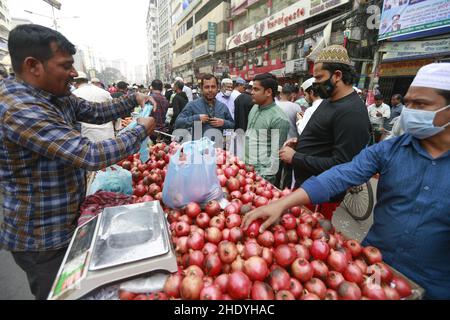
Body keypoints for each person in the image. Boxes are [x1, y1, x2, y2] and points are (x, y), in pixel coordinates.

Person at [243, 62, 450, 300]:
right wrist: (283, 202)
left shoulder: (352, 110)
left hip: (436, 284)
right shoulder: (390, 150)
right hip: (374, 267)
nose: (409, 111)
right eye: (409, 102)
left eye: (421, 104)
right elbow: (341, 174)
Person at [0, 25, 156, 300]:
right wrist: (139, 129)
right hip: (43, 238)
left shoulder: (55, 97)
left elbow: (95, 111)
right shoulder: (19, 109)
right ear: (33, 66)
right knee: (62, 296)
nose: (74, 73)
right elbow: (89, 155)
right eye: (66, 65)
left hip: (66, 224)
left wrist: (134, 98)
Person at [279, 45, 371, 220]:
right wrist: (300, 143)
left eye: (319, 77)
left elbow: (343, 165)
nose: (315, 84)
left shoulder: (352, 112)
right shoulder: (329, 101)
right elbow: (324, 139)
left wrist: (296, 157)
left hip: (319, 196)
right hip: (304, 189)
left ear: (337, 75)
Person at [245, 73, 290, 185]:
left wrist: (261, 181)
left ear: (268, 92)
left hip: (260, 178)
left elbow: (275, 158)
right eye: (252, 89)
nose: (252, 92)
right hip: (245, 169)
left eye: (256, 89)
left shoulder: (279, 119)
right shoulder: (255, 107)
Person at [72, 72, 119, 142]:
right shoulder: (103, 92)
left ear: (74, 83)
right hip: (107, 134)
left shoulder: (74, 95)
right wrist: (117, 127)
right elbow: (116, 110)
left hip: (87, 137)